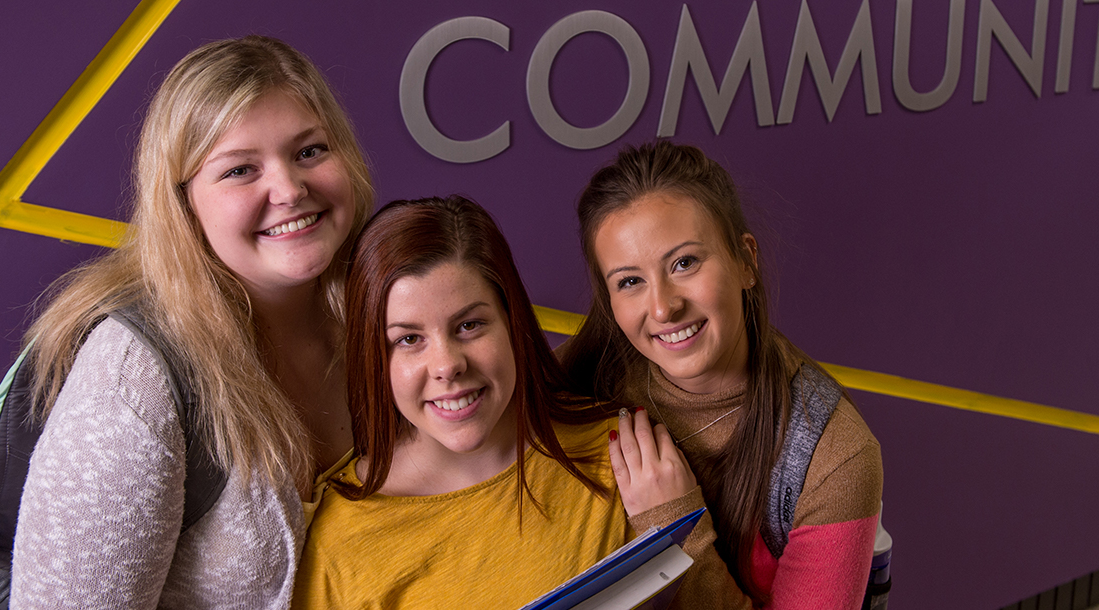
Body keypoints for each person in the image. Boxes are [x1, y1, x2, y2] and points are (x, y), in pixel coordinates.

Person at [10, 36, 375, 608]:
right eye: (239, 170)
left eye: (309, 151)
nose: (289, 189)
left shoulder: (387, 307)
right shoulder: (131, 380)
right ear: (184, 206)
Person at [293, 196, 686, 609]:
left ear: (512, 321)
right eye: (408, 339)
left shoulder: (623, 456)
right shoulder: (339, 536)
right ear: (376, 358)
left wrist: (673, 528)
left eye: (469, 325)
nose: (447, 365)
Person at [558, 141, 884, 609]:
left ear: (745, 261)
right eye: (630, 281)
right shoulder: (584, 371)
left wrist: (674, 532)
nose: (663, 306)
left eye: (684, 263)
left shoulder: (836, 455)